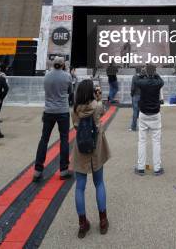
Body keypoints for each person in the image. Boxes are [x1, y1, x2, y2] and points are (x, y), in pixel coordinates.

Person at [72, 80, 110, 238]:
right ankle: (102, 220)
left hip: (81, 147)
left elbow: (75, 126)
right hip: (96, 146)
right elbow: (103, 111)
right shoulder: (97, 106)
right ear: (92, 92)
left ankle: (82, 223)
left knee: (79, 187)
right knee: (99, 183)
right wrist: (99, 98)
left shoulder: (75, 109)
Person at [33, 57, 72, 181]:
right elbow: (70, 92)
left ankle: (38, 170)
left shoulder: (47, 76)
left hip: (49, 110)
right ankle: (64, 170)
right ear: (62, 65)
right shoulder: (67, 76)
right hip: (62, 110)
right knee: (64, 139)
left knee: (44, 139)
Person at [134, 64, 164, 176]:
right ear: (155, 71)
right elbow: (161, 81)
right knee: (156, 142)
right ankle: (157, 168)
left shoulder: (142, 82)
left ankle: (141, 167)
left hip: (144, 113)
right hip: (155, 114)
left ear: (146, 71)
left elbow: (136, 81)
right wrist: (155, 74)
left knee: (142, 141)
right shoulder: (158, 82)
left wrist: (142, 74)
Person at [129, 67, 143, 131]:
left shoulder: (134, 77)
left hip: (135, 95)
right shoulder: (143, 77)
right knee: (142, 111)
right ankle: (142, 126)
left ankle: (133, 127)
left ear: (135, 71)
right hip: (142, 96)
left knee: (135, 111)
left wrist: (131, 94)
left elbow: (132, 87)